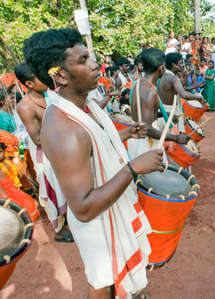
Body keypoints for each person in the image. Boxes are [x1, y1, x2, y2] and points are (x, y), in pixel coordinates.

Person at [23, 28, 163, 299]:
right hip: (96, 221)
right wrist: (134, 168)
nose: (95, 64)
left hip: (105, 208)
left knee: (110, 280)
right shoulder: (64, 128)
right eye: (83, 59)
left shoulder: (85, 106)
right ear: (60, 75)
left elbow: (93, 144)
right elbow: (84, 208)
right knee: (102, 283)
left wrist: (125, 133)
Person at [15, 62, 73, 242]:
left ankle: (70, 220)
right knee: (51, 189)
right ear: (29, 84)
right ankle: (59, 230)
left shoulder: (50, 96)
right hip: (45, 155)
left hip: (61, 148)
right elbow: (38, 138)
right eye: (40, 77)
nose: (47, 79)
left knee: (66, 185)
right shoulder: (25, 106)